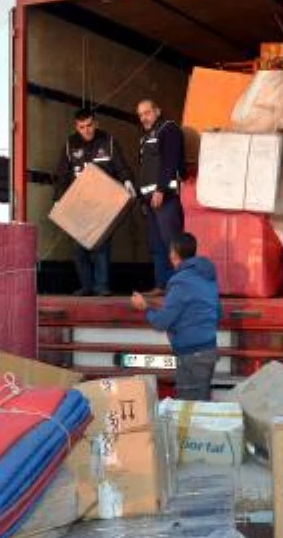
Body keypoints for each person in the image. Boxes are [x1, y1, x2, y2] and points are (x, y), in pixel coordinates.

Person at [53, 107, 136, 296]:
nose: (87, 130)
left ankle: (102, 287)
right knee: (78, 248)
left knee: (101, 245)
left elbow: (121, 165)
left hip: (102, 204)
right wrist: (58, 199)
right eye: (82, 127)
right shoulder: (70, 144)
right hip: (79, 204)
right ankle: (87, 286)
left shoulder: (108, 141)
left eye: (89, 125)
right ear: (76, 127)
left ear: (96, 123)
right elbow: (62, 175)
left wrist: (128, 181)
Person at [131, 232, 220, 400]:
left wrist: (144, 308)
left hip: (192, 356)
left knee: (188, 409)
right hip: (208, 350)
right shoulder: (207, 276)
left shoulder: (181, 282)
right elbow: (215, 311)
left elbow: (161, 322)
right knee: (200, 405)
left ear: (173, 253)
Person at [135, 99, 185, 294]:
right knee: (156, 244)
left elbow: (170, 161)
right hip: (150, 199)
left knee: (171, 241)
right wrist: (142, 199)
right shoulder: (145, 137)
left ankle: (179, 286)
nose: (143, 118)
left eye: (147, 113)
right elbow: (144, 170)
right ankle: (161, 285)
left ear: (157, 111)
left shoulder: (168, 129)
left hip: (166, 197)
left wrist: (161, 189)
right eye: (140, 115)